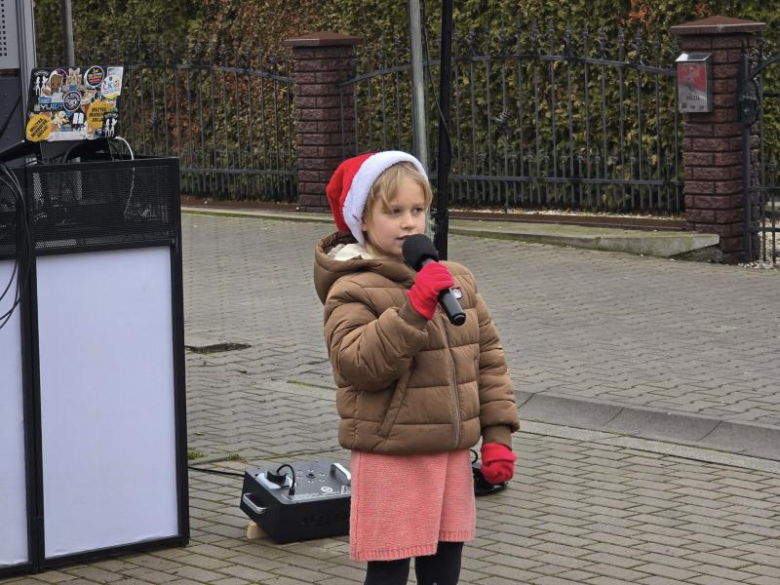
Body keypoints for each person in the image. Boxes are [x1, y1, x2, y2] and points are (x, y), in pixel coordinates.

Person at [313, 151, 519, 585]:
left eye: (417, 210)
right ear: (363, 219)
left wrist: (498, 436)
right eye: (394, 212)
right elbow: (359, 366)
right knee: (388, 570)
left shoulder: (455, 280)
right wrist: (414, 309)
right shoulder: (350, 288)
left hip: (450, 452)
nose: (409, 223)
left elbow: (489, 360)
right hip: (393, 454)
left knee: (444, 567)